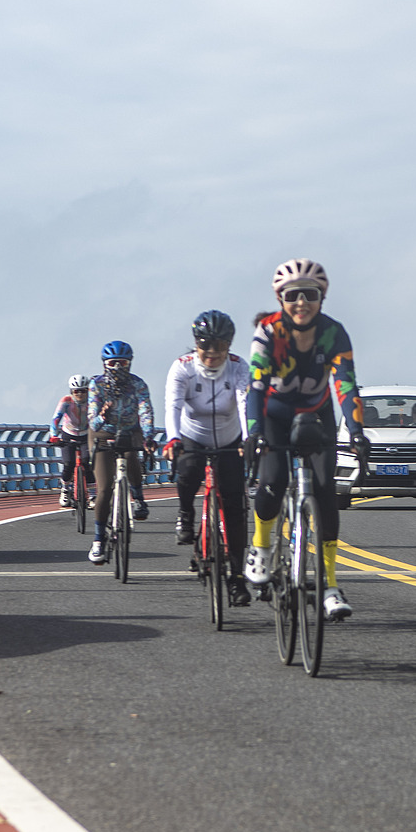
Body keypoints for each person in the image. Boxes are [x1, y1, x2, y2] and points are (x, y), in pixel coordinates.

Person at [244, 260, 372, 622]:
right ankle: (261, 547)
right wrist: (254, 430)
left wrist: (357, 431)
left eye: (310, 295)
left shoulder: (334, 333)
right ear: (280, 299)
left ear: (322, 297)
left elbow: (345, 384)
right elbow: (255, 385)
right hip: (274, 414)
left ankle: (330, 584)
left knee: (324, 489)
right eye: (292, 295)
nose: (301, 302)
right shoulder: (268, 332)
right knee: (272, 481)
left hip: (317, 415)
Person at [164, 310, 254, 604]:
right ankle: (186, 513)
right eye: (205, 346)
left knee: (235, 509)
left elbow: (244, 403)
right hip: (193, 435)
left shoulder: (240, 368)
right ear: (196, 343)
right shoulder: (182, 368)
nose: (212, 353)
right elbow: (173, 406)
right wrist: (173, 438)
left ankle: (237, 578)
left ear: (229, 345)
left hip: (230, 437)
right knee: (187, 470)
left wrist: (250, 439)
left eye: (220, 346)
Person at [87, 340, 158, 565]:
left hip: (130, 431)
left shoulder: (138, 384)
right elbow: (92, 421)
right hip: (102, 434)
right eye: (113, 363)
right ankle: (98, 540)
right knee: (105, 487)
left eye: (123, 362)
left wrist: (148, 437)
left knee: (131, 457)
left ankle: (138, 498)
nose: (118, 367)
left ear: (130, 363)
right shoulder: (96, 385)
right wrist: (102, 416)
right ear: (105, 364)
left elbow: (146, 411)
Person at [50, 374, 96, 516]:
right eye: (77, 391)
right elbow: (56, 419)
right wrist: (54, 436)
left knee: (87, 462)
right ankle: (65, 489)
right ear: (72, 392)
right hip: (68, 434)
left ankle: (93, 495)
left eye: (83, 390)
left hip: (86, 434)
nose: (80, 394)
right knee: (68, 463)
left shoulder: (92, 401)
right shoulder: (66, 401)